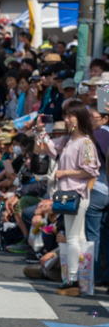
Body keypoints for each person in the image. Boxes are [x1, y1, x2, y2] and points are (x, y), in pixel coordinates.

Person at [35, 100, 101, 296]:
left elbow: (91, 171)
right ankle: (80, 278)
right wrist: (40, 130)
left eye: (70, 116)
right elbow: (44, 148)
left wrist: (64, 173)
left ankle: (72, 279)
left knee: (73, 237)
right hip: (68, 194)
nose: (66, 119)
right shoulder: (67, 140)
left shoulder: (86, 142)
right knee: (77, 237)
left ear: (79, 117)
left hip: (77, 194)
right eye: (65, 116)